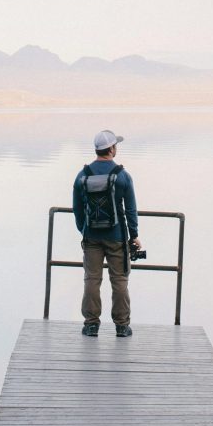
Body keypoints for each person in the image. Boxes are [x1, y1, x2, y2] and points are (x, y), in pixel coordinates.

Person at [73, 129, 141, 337]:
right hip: (117, 237)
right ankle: (122, 326)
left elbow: (77, 209)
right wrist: (134, 235)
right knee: (119, 280)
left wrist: (84, 229)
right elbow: (130, 209)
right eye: (115, 145)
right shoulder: (122, 175)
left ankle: (91, 324)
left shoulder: (82, 175)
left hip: (91, 237)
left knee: (92, 279)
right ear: (111, 149)